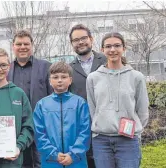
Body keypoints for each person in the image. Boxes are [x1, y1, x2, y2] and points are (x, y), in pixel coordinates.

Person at [86, 32, 149, 168]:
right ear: (102, 50)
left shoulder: (136, 77)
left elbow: (142, 109)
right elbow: (92, 108)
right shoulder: (93, 78)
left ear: (123, 48)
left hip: (128, 140)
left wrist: (135, 131)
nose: (112, 49)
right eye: (108, 46)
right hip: (101, 141)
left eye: (117, 46)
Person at [7, 30, 52, 168]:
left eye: (26, 43)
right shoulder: (6, 69)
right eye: (18, 44)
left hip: (41, 125)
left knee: (42, 163)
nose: (22, 47)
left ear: (32, 45)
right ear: (13, 46)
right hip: (15, 128)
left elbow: (52, 97)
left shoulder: (46, 67)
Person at [33, 62, 91, 168]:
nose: (59, 80)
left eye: (64, 77)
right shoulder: (42, 105)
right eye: (55, 77)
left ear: (70, 80)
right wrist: (54, 154)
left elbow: (85, 132)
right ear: (50, 81)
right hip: (51, 161)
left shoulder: (80, 103)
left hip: (76, 162)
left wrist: (73, 155)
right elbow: (39, 134)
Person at [68, 24, 106, 168]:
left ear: (91, 39)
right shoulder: (68, 68)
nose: (80, 42)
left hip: (106, 127)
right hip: (82, 128)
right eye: (76, 40)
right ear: (72, 44)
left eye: (84, 38)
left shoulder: (106, 61)